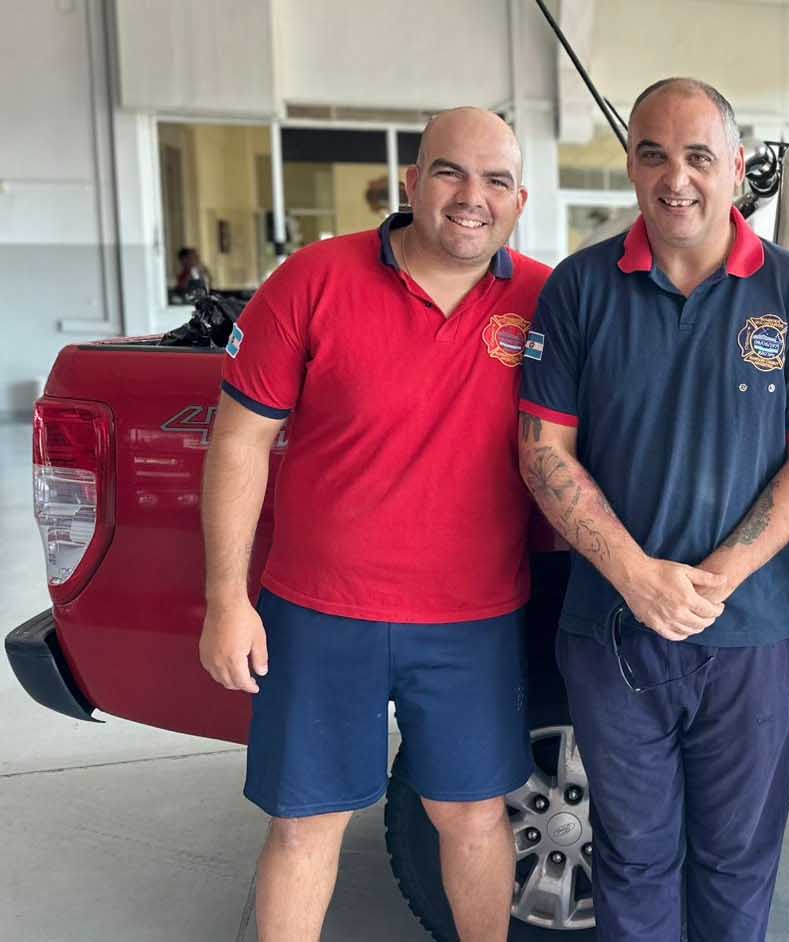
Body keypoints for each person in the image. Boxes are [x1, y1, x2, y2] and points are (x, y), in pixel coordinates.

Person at [198, 106, 550, 942]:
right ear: (412, 181)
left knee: (474, 817)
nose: (472, 197)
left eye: (496, 180)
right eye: (450, 172)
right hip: (320, 612)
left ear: (519, 200)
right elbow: (240, 440)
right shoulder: (314, 279)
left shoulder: (545, 299)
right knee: (305, 825)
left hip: (473, 620)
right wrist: (227, 600)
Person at [517, 77, 789, 941]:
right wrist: (636, 578)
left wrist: (718, 578)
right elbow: (542, 451)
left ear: (736, 168)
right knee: (633, 858)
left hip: (746, 633)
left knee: (738, 859)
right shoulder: (580, 287)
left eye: (700, 156)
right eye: (654, 154)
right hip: (611, 631)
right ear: (631, 164)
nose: (677, 178)